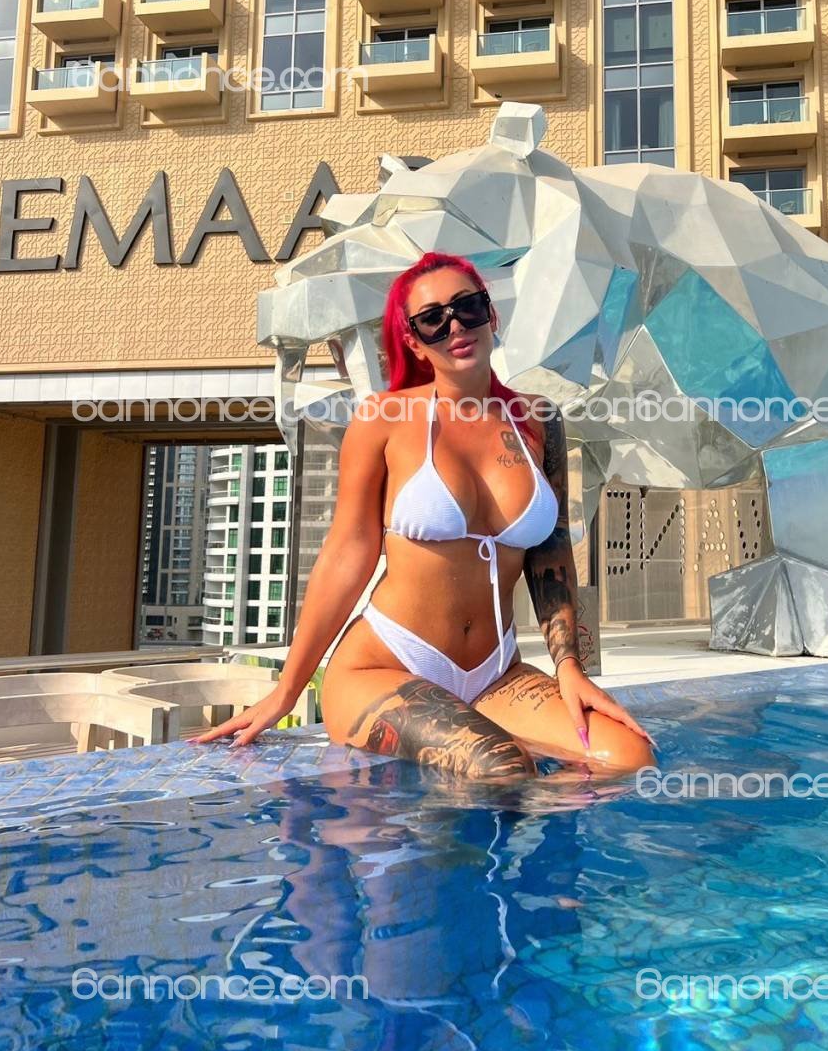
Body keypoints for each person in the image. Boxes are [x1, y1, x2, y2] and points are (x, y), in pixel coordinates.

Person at [191, 251, 657, 779]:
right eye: (432, 319)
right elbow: (346, 556)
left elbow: (551, 551)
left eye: (467, 307)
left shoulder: (537, 419)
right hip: (385, 665)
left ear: (490, 314)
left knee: (628, 757)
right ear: (413, 341)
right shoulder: (384, 418)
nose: (455, 326)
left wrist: (568, 666)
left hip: (495, 675)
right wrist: (287, 691)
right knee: (503, 767)